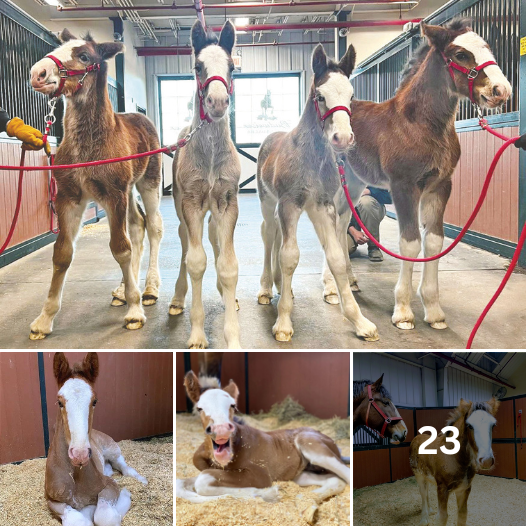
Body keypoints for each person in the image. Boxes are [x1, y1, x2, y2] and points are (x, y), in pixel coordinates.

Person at [348, 186, 392, 262]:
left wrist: (369, 191)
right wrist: (353, 231)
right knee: (341, 250)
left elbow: (392, 196)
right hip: (347, 219)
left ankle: (373, 246)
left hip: (370, 208)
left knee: (366, 202)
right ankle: (351, 238)